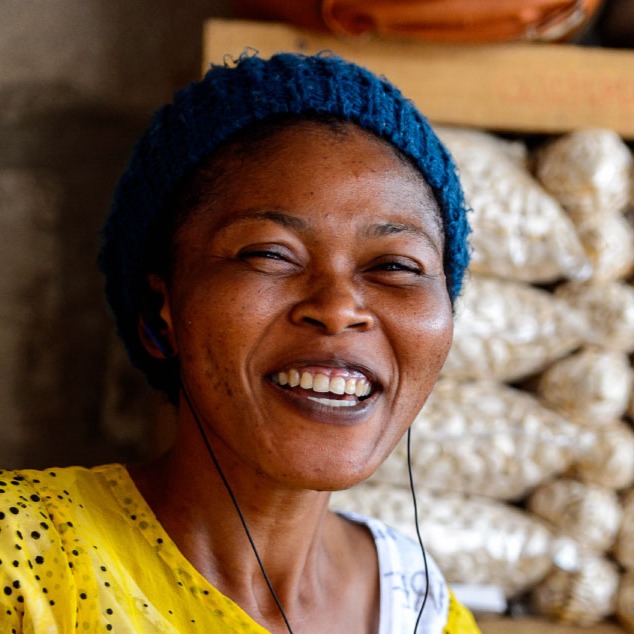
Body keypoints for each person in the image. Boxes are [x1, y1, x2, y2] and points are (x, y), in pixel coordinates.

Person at [0, 52, 478, 633]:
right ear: (161, 311)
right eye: (270, 254)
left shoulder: (420, 608)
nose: (337, 308)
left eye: (397, 266)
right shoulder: (25, 559)